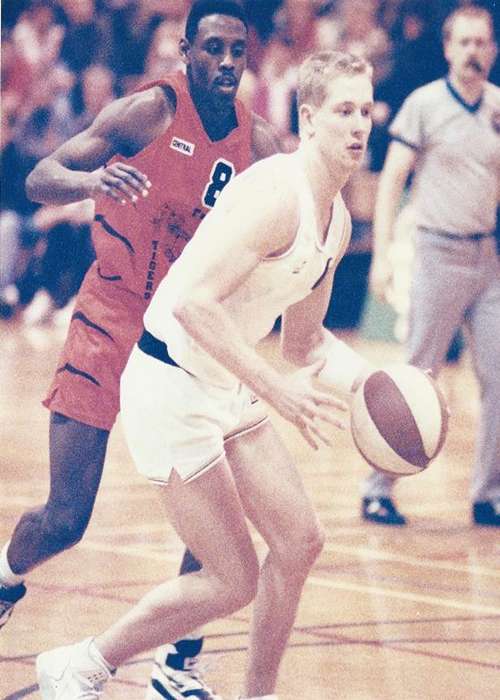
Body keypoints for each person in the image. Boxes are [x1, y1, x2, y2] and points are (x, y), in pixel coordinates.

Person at [35, 49, 375, 700]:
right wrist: (274, 389)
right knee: (231, 577)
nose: (358, 124)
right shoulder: (277, 195)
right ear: (308, 119)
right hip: (169, 382)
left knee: (300, 542)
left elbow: (303, 346)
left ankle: (258, 694)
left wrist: (372, 383)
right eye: (343, 111)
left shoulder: (337, 222)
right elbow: (193, 304)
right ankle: (80, 663)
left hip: (224, 380)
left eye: (365, 110)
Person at [0, 2, 281, 699]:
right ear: (186, 51)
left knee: (213, 510)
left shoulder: (264, 145)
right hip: (109, 320)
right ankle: (5, 576)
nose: (225, 63)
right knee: (66, 517)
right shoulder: (145, 114)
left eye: (236, 51)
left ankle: (177, 663)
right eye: (211, 48)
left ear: (248, 56)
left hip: (186, 337)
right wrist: (92, 182)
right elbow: (40, 178)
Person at [362, 4, 500, 527]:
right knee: (416, 377)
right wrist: (381, 256)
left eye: (481, 42)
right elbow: (393, 179)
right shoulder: (423, 104)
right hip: (438, 252)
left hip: (486, 257)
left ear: (493, 49)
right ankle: (376, 488)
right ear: (447, 48)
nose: (473, 51)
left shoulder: (497, 108)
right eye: (463, 42)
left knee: (499, 380)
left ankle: (487, 494)